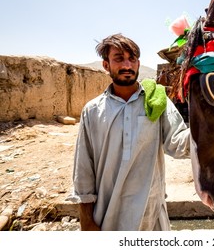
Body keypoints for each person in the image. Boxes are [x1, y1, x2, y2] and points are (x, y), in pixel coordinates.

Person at [67, 33, 190, 231]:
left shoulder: (157, 102)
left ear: (138, 63)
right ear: (106, 65)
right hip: (108, 216)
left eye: (132, 59)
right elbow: (83, 168)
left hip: (150, 216)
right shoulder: (92, 111)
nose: (127, 65)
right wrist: (86, 220)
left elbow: (177, 144)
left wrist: (209, 130)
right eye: (118, 59)